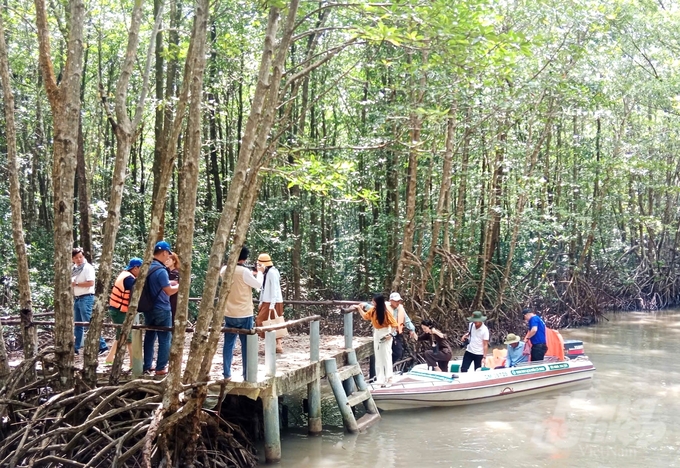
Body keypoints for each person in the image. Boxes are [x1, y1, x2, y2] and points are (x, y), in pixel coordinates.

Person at [221, 246, 261, 381]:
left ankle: (226, 373)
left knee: (228, 344)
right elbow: (258, 285)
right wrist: (259, 272)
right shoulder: (245, 272)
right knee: (246, 346)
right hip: (244, 313)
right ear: (245, 258)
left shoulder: (224, 270)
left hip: (229, 312)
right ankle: (246, 374)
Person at [142, 241, 179, 376]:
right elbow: (168, 291)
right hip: (162, 308)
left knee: (150, 336)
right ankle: (160, 367)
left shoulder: (146, 268)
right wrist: (180, 286)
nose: (168, 257)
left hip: (148, 308)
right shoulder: (161, 270)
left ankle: (147, 365)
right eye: (168, 254)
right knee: (164, 337)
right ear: (164, 253)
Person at [351, 294, 398, 386]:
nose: (372, 303)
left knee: (386, 356)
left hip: (386, 333)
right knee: (378, 356)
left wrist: (391, 334)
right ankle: (380, 378)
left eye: (373, 301)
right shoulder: (373, 310)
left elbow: (395, 325)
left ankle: (389, 378)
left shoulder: (386, 313)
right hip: (377, 333)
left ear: (378, 302)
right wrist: (359, 308)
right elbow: (365, 317)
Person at [105, 257, 142, 364]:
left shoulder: (125, 275)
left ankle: (109, 358)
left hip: (116, 308)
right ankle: (133, 362)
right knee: (128, 337)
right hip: (120, 310)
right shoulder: (129, 279)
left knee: (120, 334)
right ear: (135, 268)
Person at [71, 247, 108, 355]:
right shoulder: (73, 269)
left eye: (80, 257)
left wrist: (76, 284)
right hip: (77, 298)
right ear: (73, 259)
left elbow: (91, 282)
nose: (79, 259)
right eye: (76, 257)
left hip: (86, 297)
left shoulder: (87, 268)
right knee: (77, 324)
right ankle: (76, 348)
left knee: (88, 322)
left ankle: (102, 346)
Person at [256, 253, 284, 354]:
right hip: (267, 301)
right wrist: (261, 301)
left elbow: (275, 289)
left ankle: (276, 345)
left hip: (273, 301)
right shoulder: (265, 273)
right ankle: (274, 345)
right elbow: (262, 288)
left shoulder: (272, 272)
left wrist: (272, 305)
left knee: (271, 322)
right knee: (267, 322)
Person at [386, 292, 417, 364]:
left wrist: (412, 329)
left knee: (398, 353)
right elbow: (373, 308)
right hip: (386, 334)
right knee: (385, 353)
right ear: (391, 301)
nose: (398, 302)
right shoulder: (385, 308)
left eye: (399, 301)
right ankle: (385, 370)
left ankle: (389, 367)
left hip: (395, 334)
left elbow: (407, 320)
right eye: (396, 301)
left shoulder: (400, 308)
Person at [165, 252, 180, 326]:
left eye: (169, 259)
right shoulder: (164, 272)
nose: (166, 261)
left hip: (174, 299)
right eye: (166, 259)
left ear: (174, 261)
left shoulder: (177, 274)